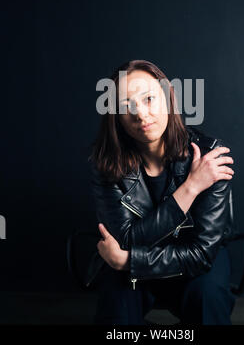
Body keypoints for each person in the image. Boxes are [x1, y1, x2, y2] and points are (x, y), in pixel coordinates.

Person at [88, 59, 236, 325]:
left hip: (194, 263)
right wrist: (190, 189)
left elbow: (201, 253)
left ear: (168, 97)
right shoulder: (106, 164)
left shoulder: (209, 154)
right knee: (117, 306)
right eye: (126, 106)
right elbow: (126, 238)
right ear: (117, 117)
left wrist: (128, 261)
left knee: (208, 295)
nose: (141, 115)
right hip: (135, 261)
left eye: (148, 99)